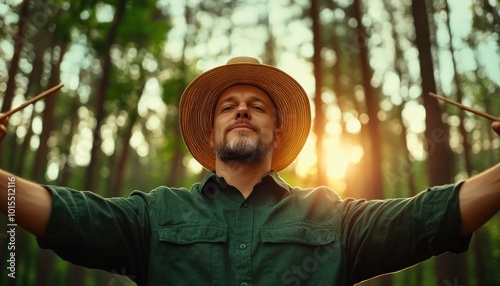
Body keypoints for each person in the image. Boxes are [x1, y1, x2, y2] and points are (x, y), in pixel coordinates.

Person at [1, 56, 500, 286]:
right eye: (229, 106)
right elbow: (66, 215)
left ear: (277, 132)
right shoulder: (156, 214)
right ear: (212, 131)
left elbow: (430, 217)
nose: (242, 111)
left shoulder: (332, 216)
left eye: (257, 106)